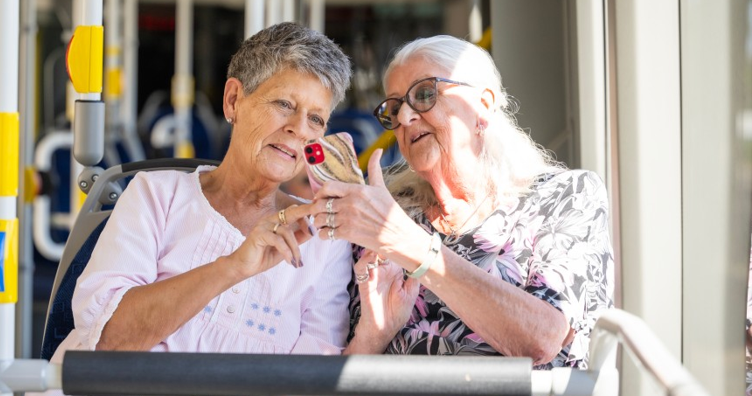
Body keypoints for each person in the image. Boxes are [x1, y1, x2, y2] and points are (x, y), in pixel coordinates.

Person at [303, 35, 614, 369]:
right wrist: (375, 333)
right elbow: (340, 373)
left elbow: (543, 339)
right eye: (394, 108)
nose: (405, 116)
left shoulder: (565, 197)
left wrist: (408, 243)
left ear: (483, 104)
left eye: (425, 94)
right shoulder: (391, 210)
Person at [50, 22, 353, 362]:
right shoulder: (156, 195)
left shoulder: (324, 239)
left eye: (316, 119)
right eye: (284, 104)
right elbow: (107, 342)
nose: (298, 128)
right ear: (233, 100)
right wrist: (233, 267)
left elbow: (313, 377)